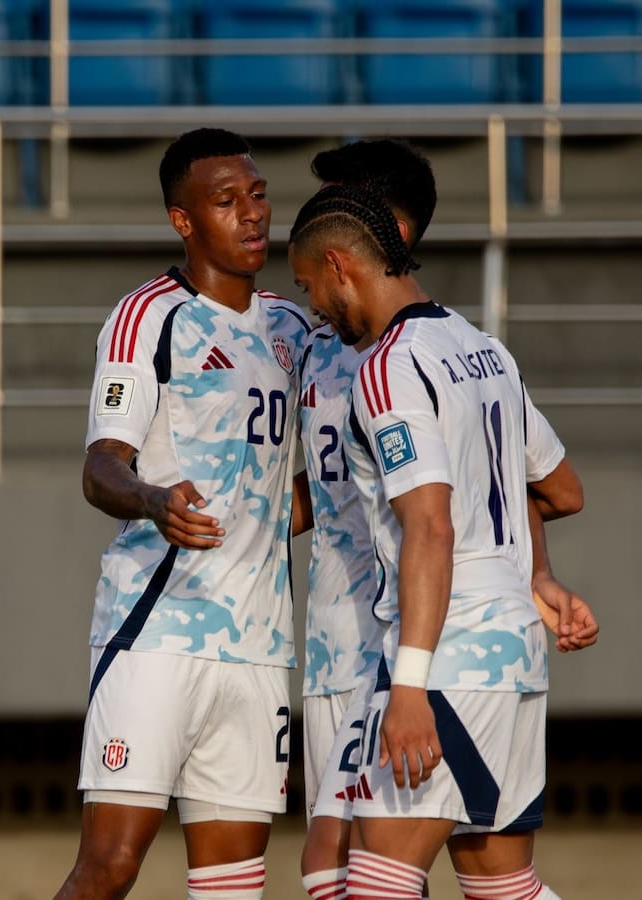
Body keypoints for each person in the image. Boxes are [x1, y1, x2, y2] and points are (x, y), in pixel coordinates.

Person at [295, 143, 597, 900]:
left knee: (367, 885)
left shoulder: (388, 365)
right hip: (514, 650)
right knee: (502, 885)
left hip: (447, 649)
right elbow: (560, 488)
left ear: (338, 263)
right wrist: (531, 572)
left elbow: (430, 528)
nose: (313, 309)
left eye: (308, 287)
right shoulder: (481, 347)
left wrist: (409, 687)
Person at [53, 128, 310, 900]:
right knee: (110, 868)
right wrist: (154, 500)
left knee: (232, 887)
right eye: (226, 201)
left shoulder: (295, 329)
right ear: (183, 219)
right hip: (157, 633)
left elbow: (305, 486)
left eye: (258, 195)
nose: (252, 213)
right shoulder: (147, 317)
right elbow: (102, 467)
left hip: (260, 648)